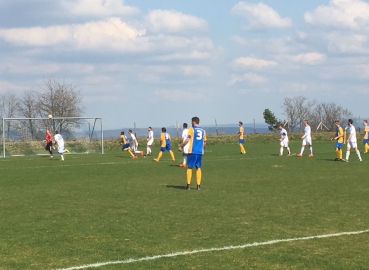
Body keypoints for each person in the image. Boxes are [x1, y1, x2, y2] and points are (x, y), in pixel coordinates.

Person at [179, 116, 207, 190]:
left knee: (190, 167)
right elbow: (204, 143)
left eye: (191, 122)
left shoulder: (192, 129)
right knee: (198, 168)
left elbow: (188, 139)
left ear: (193, 122)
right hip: (199, 152)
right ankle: (198, 186)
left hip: (192, 151)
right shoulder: (203, 130)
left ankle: (188, 185)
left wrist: (182, 147)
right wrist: (202, 149)